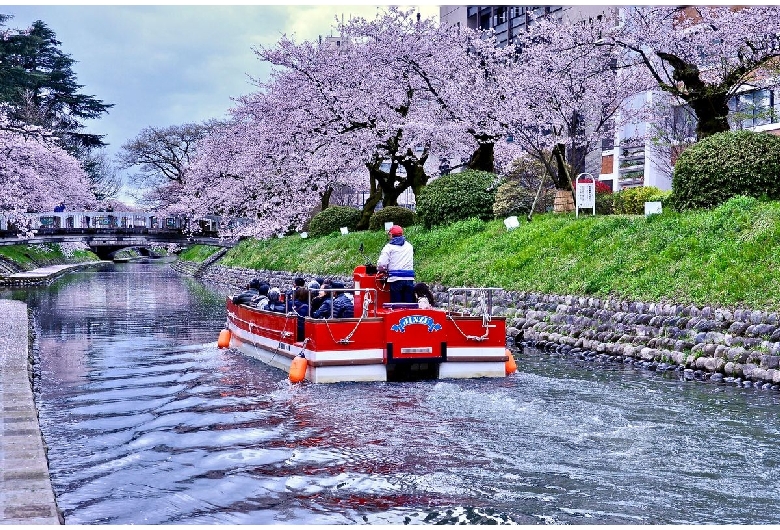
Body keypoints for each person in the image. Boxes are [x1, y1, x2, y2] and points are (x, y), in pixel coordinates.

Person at [377, 224, 415, 303]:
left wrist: (381, 269)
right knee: (409, 304)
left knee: (396, 305)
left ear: (391, 235)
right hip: (409, 278)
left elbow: (382, 264)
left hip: (396, 279)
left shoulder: (389, 247)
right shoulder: (409, 246)